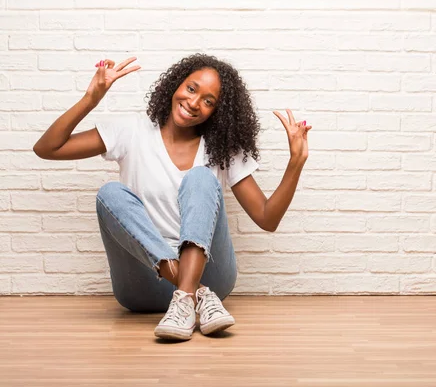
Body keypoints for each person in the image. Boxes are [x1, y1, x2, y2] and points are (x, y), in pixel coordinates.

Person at [33, 54, 312, 341]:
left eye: (208, 101)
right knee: (110, 193)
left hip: (214, 274)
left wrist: (296, 162)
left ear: (218, 111)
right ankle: (196, 293)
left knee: (201, 177)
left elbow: (267, 218)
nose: (194, 103)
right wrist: (90, 99)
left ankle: (187, 296)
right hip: (143, 285)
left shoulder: (221, 148)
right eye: (191, 89)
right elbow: (48, 149)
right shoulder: (131, 130)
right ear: (175, 85)